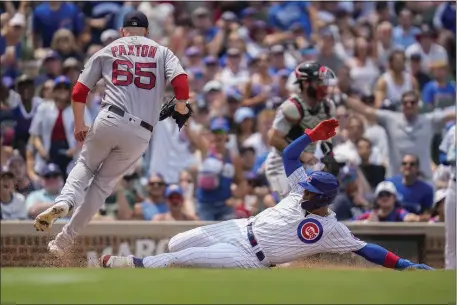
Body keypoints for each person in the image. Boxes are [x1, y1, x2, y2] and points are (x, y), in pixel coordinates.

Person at [101, 119, 433, 271]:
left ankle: (130, 265)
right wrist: (310, 135)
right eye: (308, 188)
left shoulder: (331, 229)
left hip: (251, 259)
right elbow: (289, 156)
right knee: (175, 244)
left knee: (177, 259)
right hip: (239, 227)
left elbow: (366, 249)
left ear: (325, 199)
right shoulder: (299, 187)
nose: (306, 192)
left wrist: (403, 264)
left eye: (313, 191)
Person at [32, 11, 191, 257]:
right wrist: (180, 106)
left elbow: (78, 92)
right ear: (147, 32)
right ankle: (63, 242)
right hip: (140, 133)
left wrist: (78, 124)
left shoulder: (109, 49)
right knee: (102, 186)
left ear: (122, 31)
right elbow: (181, 82)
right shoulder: (162, 51)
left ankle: (64, 201)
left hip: (110, 117)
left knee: (85, 164)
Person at [265, 61, 335, 201]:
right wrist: (302, 155)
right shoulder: (293, 106)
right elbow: (273, 138)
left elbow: (327, 134)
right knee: (292, 205)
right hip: (280, 163)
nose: (323, 86)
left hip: (305, 163)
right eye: (318, 82)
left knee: (314, 204)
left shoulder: (327, 106)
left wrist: (329, 156)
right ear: (305, 83)